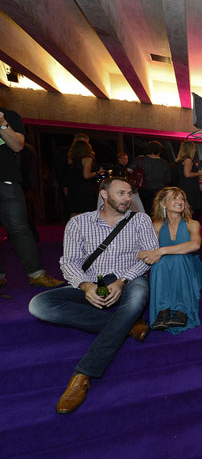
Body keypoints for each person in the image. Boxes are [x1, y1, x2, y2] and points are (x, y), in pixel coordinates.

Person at [28, 177, 158, 414]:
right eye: (121, 193)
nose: (127, 198)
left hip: (129, 278)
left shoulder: (140, 219)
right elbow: (69, 262)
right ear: (104, 194)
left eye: (130, 194)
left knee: (136, 299)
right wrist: (85, 286)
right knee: (40, 304)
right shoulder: (78, 222)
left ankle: (83, 374)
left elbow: (149, 256)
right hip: (93, 282)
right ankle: (128, 326)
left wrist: (122, 280)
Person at [0, 106, 64, 290]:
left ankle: (37, 274)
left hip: (6, 180)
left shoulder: (8, 115)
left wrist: (3, 124)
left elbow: (17, 145)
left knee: (20, 229)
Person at [139, 187, 202, 333]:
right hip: (166, 269)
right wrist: (147, 253)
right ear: (163, 204)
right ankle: (163, 310)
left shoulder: (192, 224)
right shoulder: (157, 225)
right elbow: (146, 251)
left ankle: (181, 309)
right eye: (174, 198)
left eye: (182, 199)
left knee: (177, 258)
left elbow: (195, 245)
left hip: (191, 267)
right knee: (160, 262)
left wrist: (162, 250)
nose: (180, 201)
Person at [66, 140, 104, 216]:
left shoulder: (71, 160)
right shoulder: (87, 159)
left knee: (74, 211)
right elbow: (86, 176)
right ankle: (84, 227)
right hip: (83, 188)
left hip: (73, 187)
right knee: (84, 211)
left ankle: (72, 227)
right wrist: (98, 173)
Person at [133, 140, 171, 214]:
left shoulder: (141, 159)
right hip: (159, 189)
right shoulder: (164, 163)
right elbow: (168, 179)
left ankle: (146, 224)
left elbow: (129, 169)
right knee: (157, 211)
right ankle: (156, 224)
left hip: (144, 189)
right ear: (159, 150)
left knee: (145, 210)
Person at [175, 141, 202, 220]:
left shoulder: (180, 160)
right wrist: (199, 173)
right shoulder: (188, 160)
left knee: (184, 210)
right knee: (189, 210)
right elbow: (187, 174)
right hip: (189, 188)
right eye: (194, 148)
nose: (195, 150)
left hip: (183, 186)